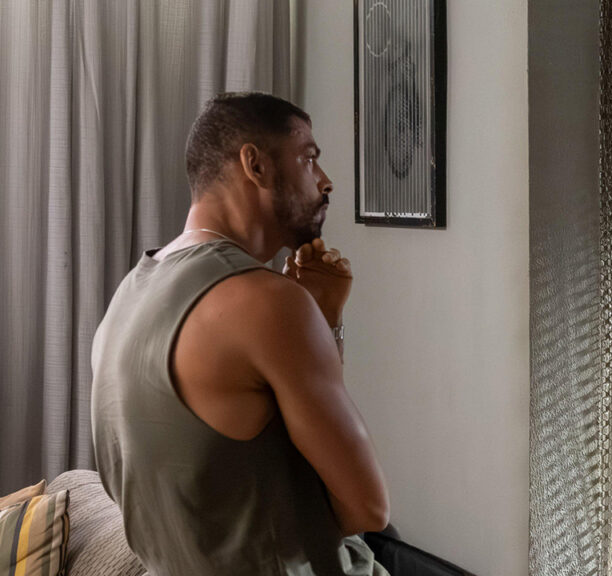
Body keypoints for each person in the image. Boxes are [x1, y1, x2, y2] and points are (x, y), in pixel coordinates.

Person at [91, 92, 389, 576]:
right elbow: (368, 509)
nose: (325, 180)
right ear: (255, 165)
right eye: (308, 158)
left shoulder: (128, 295)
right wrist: (308, 315)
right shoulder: (266, 301)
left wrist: (325, 317)